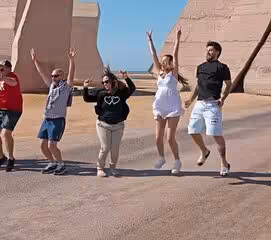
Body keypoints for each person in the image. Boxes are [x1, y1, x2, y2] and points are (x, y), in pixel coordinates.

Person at [184, 40, 232, 176]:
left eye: (210, 50)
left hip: (213, 105)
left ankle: (224, 163)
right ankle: (205, 151)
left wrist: (223, 98)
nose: (207, 52)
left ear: (217, 52)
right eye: (207, 50)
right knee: (192, 130)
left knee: (216, 135)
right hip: (199, 103)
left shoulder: (222, 68)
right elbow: (198, 86)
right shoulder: (200, 67)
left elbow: (229, 85)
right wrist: (191, 100)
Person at [146, 28, 188, 175]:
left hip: (173, 106)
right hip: (160, 105)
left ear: (170, 62)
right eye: (162, 61)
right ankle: (161, 158)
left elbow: (176, 53)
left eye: (165, 61)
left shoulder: (174, 73)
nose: (162, 63)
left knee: (170, 138)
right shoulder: (159, 72)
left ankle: (177, 161)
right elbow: (153, 56)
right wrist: (150, 40)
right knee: (158, 137)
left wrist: (177, 38)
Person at [31, 47, 76, 176]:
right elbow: (42, 74)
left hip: (57, 120)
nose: (53, 77)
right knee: (42, 146)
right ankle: (52, 163)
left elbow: (71, 74)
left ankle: (61, 165)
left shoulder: (66, 88)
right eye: (52, 76)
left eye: (56, 76)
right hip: (47, 119)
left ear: (62, 76)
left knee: (52, 145)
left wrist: (72, 60)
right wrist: (35, 61)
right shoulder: (52, 86)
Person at [83, 67, 136, 177]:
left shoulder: (121, 93)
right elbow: (87, 98)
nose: (105, 84)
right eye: (103, 82)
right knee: (105, 147)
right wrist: (85, 88)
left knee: (115, 149)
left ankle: (113, 168)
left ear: (112, 82)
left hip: (118, 125)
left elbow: (132, 88)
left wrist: (126, 78)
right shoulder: (100, 93)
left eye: (107, 81)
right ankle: (100, 168)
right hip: (103, 125)